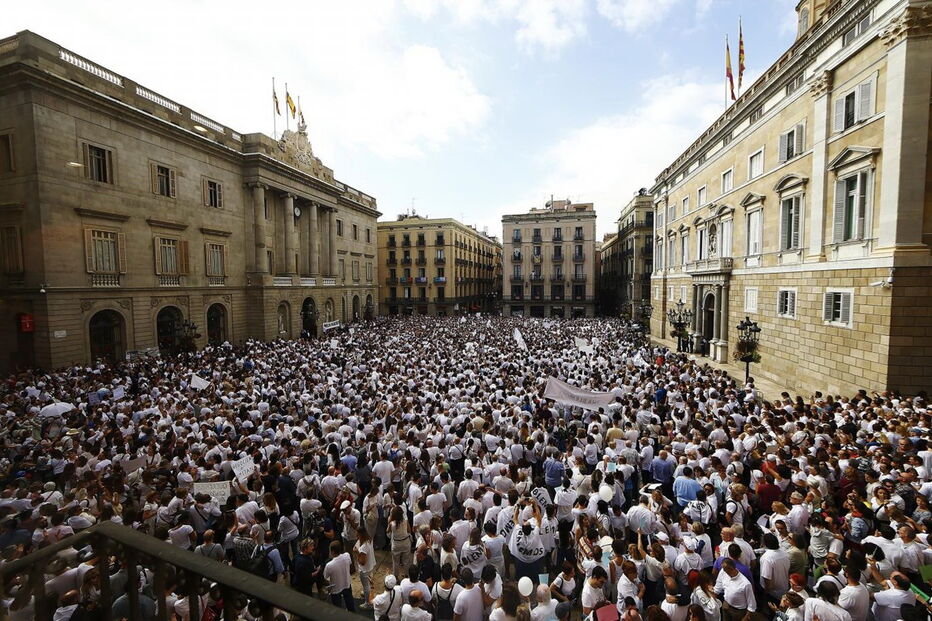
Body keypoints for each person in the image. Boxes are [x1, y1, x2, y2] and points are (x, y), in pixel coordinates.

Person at [323, 540, 354, 611]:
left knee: (337, 607)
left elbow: (325, 577)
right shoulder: (347, 555)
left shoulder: (329, 565)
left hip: (335, 588)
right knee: (350, 602)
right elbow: (349, 564)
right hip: (347, 583)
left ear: (332, 552)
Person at [356, 528, 377, 609]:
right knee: (368, 583)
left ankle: (367, 603)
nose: (356, 535)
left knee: (366, 586)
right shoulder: (369, 540)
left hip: (364, 569)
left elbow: (362, 562)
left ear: (361, 534)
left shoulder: (363, 547)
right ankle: (367, 594)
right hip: (370, 566)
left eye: (357, 534)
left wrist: (357, 552)